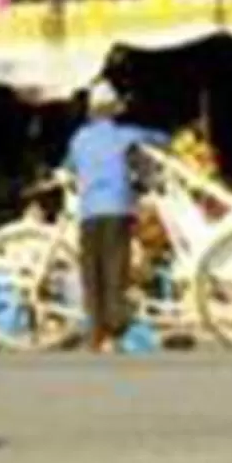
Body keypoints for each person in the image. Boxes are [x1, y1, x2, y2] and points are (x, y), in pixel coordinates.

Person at [65, 86, 168, 354]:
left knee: (91, 270)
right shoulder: (123, 135)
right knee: (114, 268)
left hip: (89, 211)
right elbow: (158, 138)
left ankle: (95, 331)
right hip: (118, 209)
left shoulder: (79, 139)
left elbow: (69, 167)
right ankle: (115, 325)